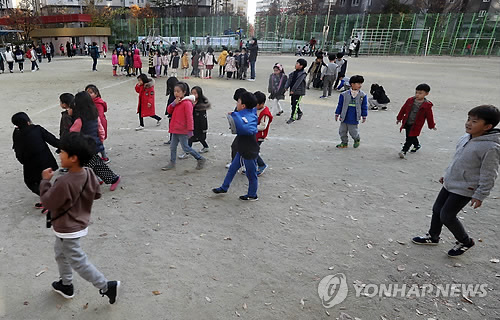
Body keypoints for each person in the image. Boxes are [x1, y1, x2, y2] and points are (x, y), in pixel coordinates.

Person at [40, 132, 120, 304]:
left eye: (62, 152)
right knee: (61, 254)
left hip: (68, 228)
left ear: (74, 158)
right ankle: (66, 284)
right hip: (78, 223)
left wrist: (46, 182)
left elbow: (48, 201)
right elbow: (96, 194)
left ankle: (106, 286)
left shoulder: (64, 181)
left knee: (78, 261)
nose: (59, 155)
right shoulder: (89, 172)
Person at [412, 105, 500, 257]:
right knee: (437, 209)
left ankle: (465, 241)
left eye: (474, 121)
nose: (468, 123)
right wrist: (447, 175)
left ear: (487, 126)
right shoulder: (466, 137)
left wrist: (480, 194)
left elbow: (489, 174)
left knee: (447, 215)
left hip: (466, 188)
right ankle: (433, 236)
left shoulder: (491, 147)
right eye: (468, 119)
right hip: (450, 182)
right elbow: (457, 160)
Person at [212, 91, 260, 200]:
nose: (236, 103)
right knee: (232, 169)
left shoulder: (250, 117)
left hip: (249, 152)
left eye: (238, 101)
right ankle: (224, 187)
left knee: (251, 175)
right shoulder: (250, 113)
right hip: (243, 149)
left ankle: (252, 195)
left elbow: (248, 129)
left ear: (243, 106)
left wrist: (235, 115)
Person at [69, 92, 121, 190]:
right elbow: (100, 129)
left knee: (91, 165)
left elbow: (73, 132)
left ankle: (112, 178)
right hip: (94, 144)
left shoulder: (79, 119)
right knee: (93, 164)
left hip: (85, 146)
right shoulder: (94, 115)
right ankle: (101, 179)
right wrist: (100, 140)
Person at [12, 112, 59, 211]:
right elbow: (53, 140)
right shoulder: (37, 129)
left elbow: (17, 149)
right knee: (42, 181)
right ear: (28, 121)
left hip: (30, 165)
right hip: (46, 162)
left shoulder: (16, 134)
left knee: (32, 182)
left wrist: (22, 161)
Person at [162, 82, 206, 171]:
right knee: (172, 147)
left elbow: (189, 117)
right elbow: (169, 110)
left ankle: (200, 158)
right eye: (175, 91)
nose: (176, 93)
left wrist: (190, 130)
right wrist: (174, 103)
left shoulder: (187, 103)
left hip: (182, 130)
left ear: (184, 92)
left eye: (178, 91)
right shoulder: (177, 102)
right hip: (175, 129)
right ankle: (172, 163)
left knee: (185, 147)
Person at [396, 84, 436, 158]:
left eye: (420, 93)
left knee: (409, 138)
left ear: (426, 94)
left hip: (417, 124)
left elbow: (429, 116)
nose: (417, 95)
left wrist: (431, 125)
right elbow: (403, 109)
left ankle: (404, 150)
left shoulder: (427, 105)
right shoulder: (410, 100)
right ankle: (417, 145)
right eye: (416, 92)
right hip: (408, 122)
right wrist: (399, 118)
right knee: (410, 135)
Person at [334, 75, 368, 148]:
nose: (360, 85)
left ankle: (356, 139)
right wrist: (337, 113)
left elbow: (364, 106)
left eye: (361, 84)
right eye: (358, 83)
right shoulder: (344, 94)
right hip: (344, 116)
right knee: (342, 131)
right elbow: (340, 105)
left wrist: (364, 116)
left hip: (354, 117)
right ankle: (344, 142)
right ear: (352, 84)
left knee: (353, 131)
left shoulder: (363, 95)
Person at [179, 86, 211, 158]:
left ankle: (187, 152)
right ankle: (205, 147)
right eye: (192, 93)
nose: (193, 95)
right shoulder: (189, 101)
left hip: (198, 125)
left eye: (195, 93)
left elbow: (203, 118)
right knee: (193, 138)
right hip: (192, 124)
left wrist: (204, 128)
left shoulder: (201, 105)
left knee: (196, 138)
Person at [85, 85, 109, 163]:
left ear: (96, 94)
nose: (89, 94)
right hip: (96, 123)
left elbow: (100, 115)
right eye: (87, 92)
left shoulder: (98, 103)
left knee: (99, 141)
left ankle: (104, 157)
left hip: (99, 124)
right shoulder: (90, 103)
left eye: (91, 93)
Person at [254, 91, 273, 176]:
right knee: (251, 150)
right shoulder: (256, 109)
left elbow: (263, 126)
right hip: (254, 134)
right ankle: (252, 166)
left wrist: (252, 127)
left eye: (256, 104)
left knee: (253, 151)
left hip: (259, 136)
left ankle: (262, 165)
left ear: (262, 104)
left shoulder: (265, 114)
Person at [284, 59, 307, 124]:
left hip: (299, 92)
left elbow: (298, 83)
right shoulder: (293, 73)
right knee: (293, 103)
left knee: (295, 104)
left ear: (301, 66)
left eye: (297, 63)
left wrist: (293, 90)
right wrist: (286, 87)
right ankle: (299, 112)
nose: (296, 65)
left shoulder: (302, 74)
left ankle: (292, 117)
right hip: (293, 91)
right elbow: (289, 81)